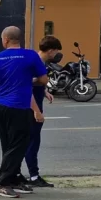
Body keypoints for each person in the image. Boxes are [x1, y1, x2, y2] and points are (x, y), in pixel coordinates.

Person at [0, 26, 49, 198]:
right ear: (18, 39)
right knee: (18, 145)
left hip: (1, 106)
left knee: (8, 144)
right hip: (19, 106)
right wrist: (28, 80)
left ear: (5, 40)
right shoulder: (30, 55)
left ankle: (14, 178)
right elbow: (44, 80)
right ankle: (1, 182)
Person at [24, 36, 62, 188]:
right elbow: (28, 83)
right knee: (32, 142)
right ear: (51, 50)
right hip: (32, 106)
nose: (56, 55)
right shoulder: (36, 61)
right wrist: (36, 111)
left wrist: (45, 90)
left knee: (33, 141)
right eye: (56, 51)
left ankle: (31, 174)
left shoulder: (39, 61)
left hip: (37, 101)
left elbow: (38, 81)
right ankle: (33, 176)